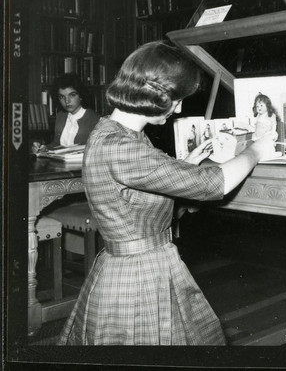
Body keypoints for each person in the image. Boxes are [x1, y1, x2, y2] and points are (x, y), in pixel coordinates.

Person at [57, 40, 274, 346]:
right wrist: (257, 149)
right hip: (139, 276)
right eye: (175, 98)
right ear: (156, 95)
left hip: (141, 264)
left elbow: (135, 192)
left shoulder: (119, 133)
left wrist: (184, 164)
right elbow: (215, 184)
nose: (179, 107)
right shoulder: (120, 145)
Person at [47, 73, 100, 149]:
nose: (67, 101)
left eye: (72, 95)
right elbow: (56, 144)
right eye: (62, 97)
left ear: (81, 96)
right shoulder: (61, 116)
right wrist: (44, 148)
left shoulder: (95, 119)